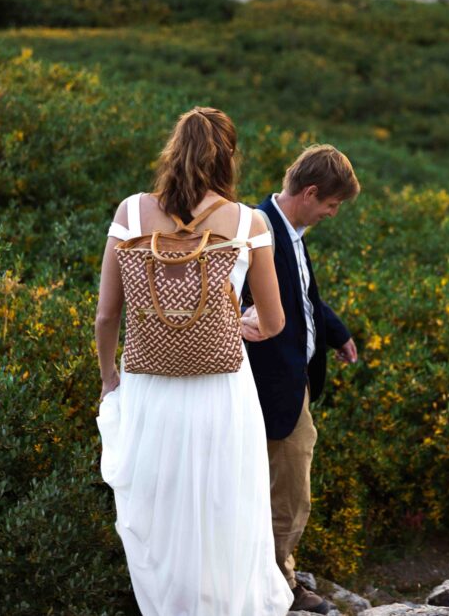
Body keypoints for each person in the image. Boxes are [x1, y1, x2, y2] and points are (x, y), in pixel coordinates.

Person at [93, 107, 293, 616]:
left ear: (172, 150)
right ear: (228, 156)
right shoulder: (250, 221)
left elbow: (105, 316)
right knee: (224, 508)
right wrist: (237, 324)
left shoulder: (132, 213)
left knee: (159, 511)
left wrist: (109, 378)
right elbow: (273, 323)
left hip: (147, 387)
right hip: (222, 388)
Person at [240, 144, 360, 614]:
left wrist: (337, 334)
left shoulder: (291, 231)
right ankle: (280, 588)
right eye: (331, 204)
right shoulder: (259, 229)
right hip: (271, 387)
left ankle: (273, 577)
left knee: (279, 489)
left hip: (293, 383)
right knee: (287, 493)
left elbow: (305, 297)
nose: (332, 213)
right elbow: (245, 304)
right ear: (310, 193)